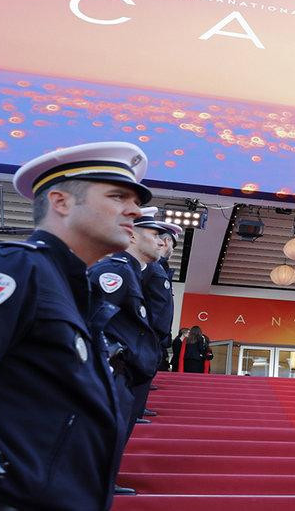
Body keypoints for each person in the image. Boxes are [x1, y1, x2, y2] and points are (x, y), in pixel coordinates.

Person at [0, 142, 150, 510]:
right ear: (61, 202)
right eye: (118, 195)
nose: (134, 210)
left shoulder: (75, 295)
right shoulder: (13, 271)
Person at [89, 207, 166, 495]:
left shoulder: (131, 272)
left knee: (117, 432)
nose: (160, 241)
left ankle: (103, 484)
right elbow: (93, 321)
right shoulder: (115, 271)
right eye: (155, 234)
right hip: (109, 370)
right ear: (132, 235)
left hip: (125, 372)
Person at [143, 214, 181, 376]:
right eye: (173, 244)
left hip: (154, 338)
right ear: (167, 241)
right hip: (147, 337)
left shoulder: (160, 268)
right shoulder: (151, 267)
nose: (172, 250)